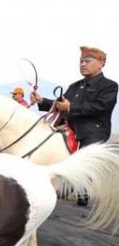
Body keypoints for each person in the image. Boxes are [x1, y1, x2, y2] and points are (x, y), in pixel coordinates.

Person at [30, 46, 118, 206]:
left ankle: (81, 187)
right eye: (81, 61)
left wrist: (70, 108)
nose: (83, 64)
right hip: (69, 127)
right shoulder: (75, 86)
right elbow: (61, 104)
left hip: (93, 129)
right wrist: (42, 101)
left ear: (101, 63)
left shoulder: (109, 86)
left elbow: (100, 107)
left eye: (88, 61)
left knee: (86, 153)